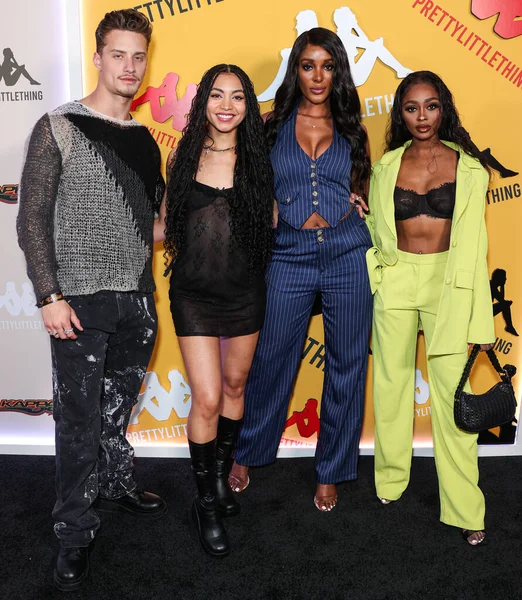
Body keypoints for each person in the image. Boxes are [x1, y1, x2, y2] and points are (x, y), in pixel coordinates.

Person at [17, 9, 166, 591]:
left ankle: (117, 481)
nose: (129, 67)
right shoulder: (58, 125)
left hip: (138, 302)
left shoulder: (146, 141)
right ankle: (74, 532)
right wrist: (50, 296)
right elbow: (31, 221)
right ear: (99, 56)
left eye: (138, 57)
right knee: (77, 424)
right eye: (118, 54)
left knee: (114, 412)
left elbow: (149, 226)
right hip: (78, 302)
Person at [229, 27, 373, 512]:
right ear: (296, 70)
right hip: (288, 253)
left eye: (327, 66)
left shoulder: (353, 129)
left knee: (347, 365)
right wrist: (268, 204)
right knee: (271, 359)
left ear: (338, 72)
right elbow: (249, 184)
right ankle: (247, 451)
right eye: (308, 65)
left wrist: (361, 200)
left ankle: (331, 470)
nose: (318, 76)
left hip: (347, 252)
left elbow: (365, 187)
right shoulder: (270, 126)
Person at [356, 70, 495, 546]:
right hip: (396, 282)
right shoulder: (387, 166)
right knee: (390, 386)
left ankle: (464, 507)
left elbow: (476, 249)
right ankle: (391, 480)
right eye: (411, 108)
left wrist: (479, 316)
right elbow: (377, 228)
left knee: (452, 400)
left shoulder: (469, 167)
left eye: (430, 106)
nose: (421, 116)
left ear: (443, 109)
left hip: (448, 285)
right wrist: (379, 265)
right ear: (401, 113)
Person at [155, 64, 273, 556]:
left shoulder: (261, 160)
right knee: (205, 397)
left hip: (245, 292)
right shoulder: (182, 157)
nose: (227, 105)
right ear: (203, 101)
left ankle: (221, 479)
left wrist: (347, 202)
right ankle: (206, 503)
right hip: (193, 296)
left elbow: (272, 221)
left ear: (248, 106)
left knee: (233, 387)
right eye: (217, 95)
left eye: (238, 97)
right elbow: (165, 227)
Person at [490, 268, 518, 336]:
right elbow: (502, 300)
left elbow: (501, 299)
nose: (505, 279)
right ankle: (509, 326)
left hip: (484, 310)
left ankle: (509, 327)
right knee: (505, 305)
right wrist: (502, 285)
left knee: (505, 304)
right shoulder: (491, 286)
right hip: (482, 312)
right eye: (504, 277)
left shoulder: (492, 285)